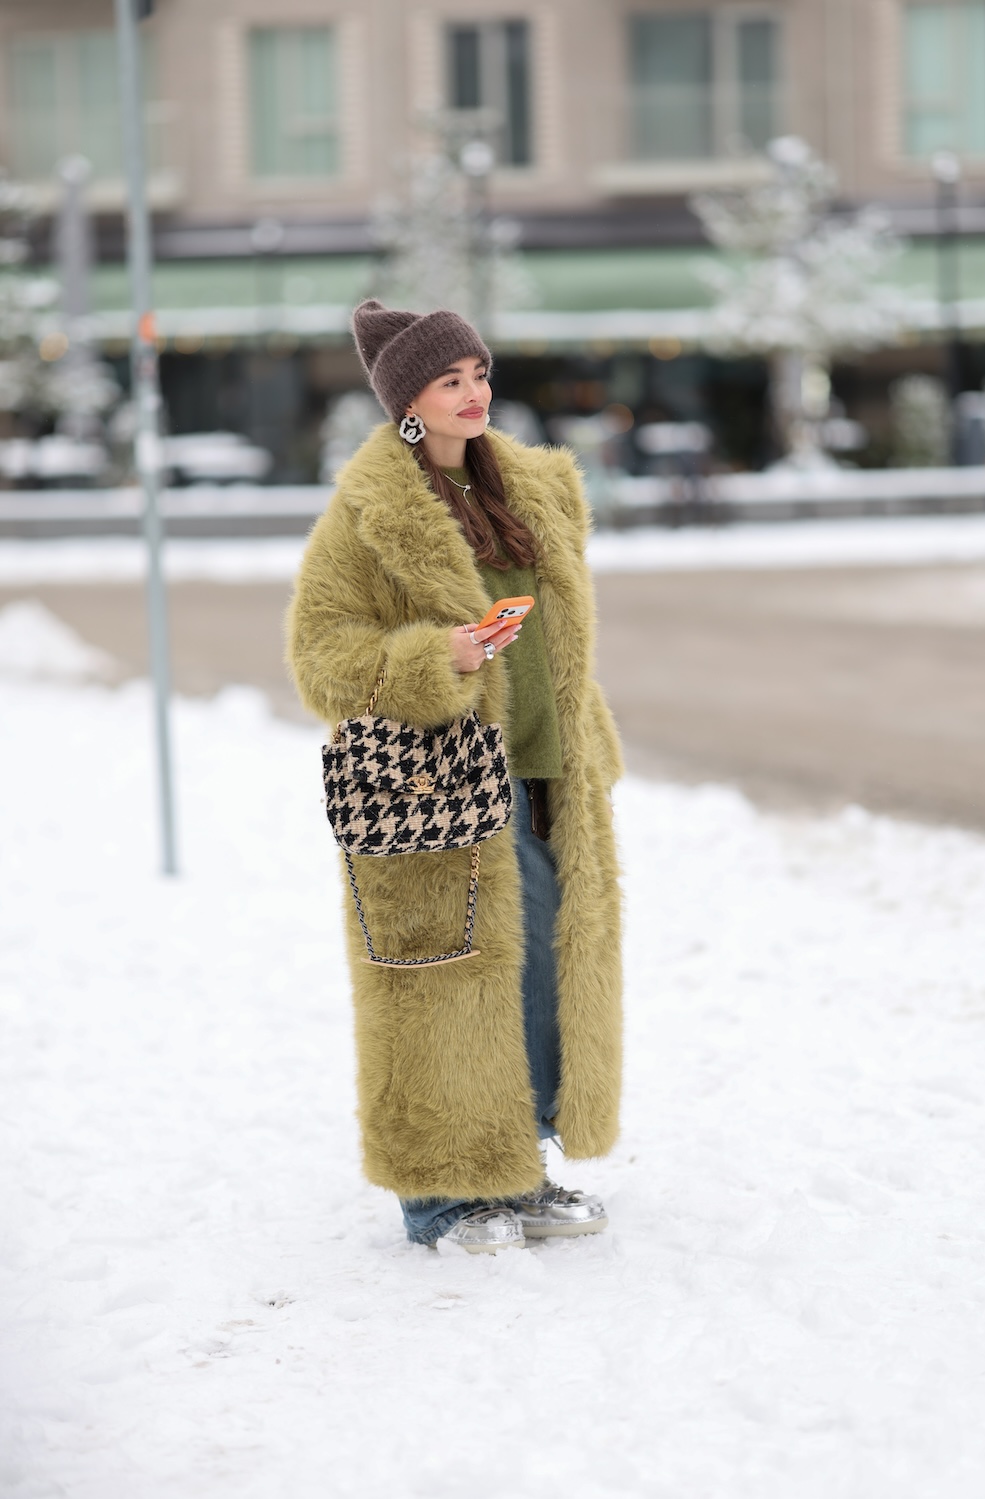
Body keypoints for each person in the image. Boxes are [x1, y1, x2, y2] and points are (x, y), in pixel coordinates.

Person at [287, 299, 624, 1254]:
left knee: (538, 974)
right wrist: (436, 657)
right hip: (433, 785)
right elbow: (321, 655)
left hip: (544, 770)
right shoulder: (368, 515)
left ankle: (519, 1169)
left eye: (479, 373)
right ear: (408, 402)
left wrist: (589, 743)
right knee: (443, 979)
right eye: (450, 380)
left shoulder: (536, 489)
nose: (475, 394)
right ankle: (441, 1196)